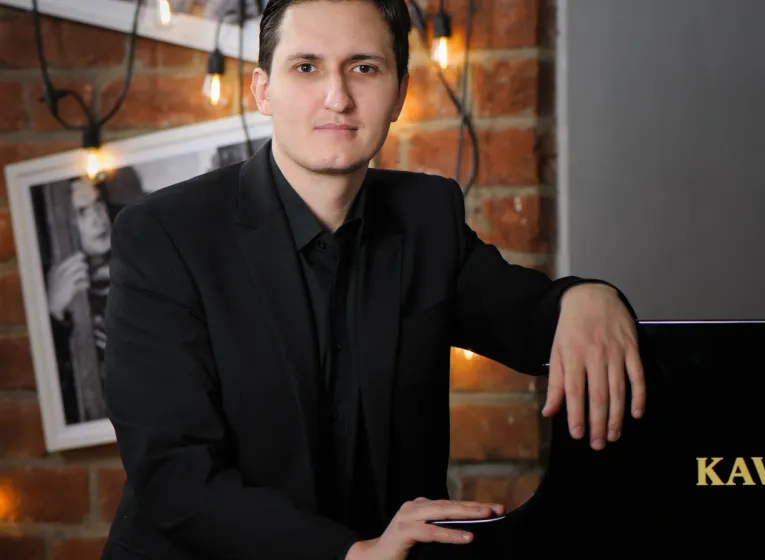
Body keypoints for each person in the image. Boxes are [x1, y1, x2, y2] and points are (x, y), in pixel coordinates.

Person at [101, 1, 645, 559]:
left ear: (401, 93)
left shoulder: (426, 217)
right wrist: (352, 554)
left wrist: (589, 295)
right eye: (306, 67)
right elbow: (175, 476)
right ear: (262, 91)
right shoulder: (164, 235)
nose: (337, 97)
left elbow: (534, 321)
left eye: (364, 67)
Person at [47, 177, 111, 424]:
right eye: (83, 212)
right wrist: (53, 313)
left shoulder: (141, 268)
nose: (98, 218)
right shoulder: (60, 290)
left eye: (98, 204)